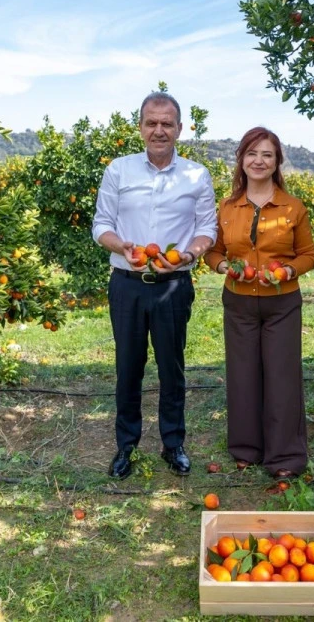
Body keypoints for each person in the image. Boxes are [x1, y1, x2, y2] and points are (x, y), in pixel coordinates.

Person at [92, 91, 218, 479]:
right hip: (127, 283)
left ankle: (173, 443)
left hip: (173, 285)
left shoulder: (197, 175)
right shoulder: (119, 170)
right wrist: (122, 246)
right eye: (152, 123)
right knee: (128, 367)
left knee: (171, 366)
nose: (159, 130)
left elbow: (206, 229)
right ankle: (125, 446)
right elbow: (101, 225)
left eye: (167, 123)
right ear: (141, 127)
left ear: (180, 128)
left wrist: (188, 255)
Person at [203, 127, 314, 479]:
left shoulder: (293, 207)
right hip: (238, 303)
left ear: (277, 162)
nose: (259, 160)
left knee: (282, 378)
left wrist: (285, 272)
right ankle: (246, 449)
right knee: (242, 376)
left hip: (281, 305)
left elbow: (308, 256)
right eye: (252, 153)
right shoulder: (227, 207)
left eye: (267, 155)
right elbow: (214, 251)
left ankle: (284, 456)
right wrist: (224, 266)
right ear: (241, 159)